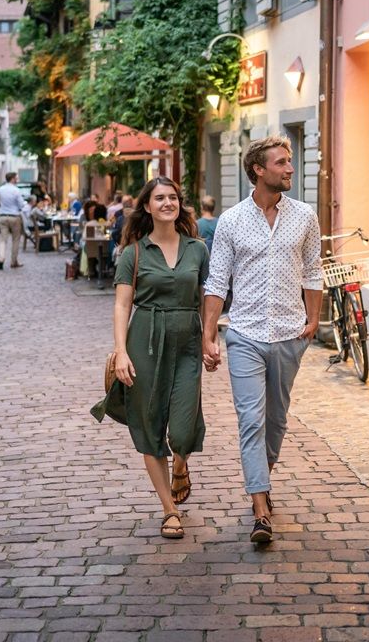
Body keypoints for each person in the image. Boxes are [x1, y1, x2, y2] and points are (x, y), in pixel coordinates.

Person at [201, 136, 323, 545]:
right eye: (282, 163)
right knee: (250, 421)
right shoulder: (232, 222)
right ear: (258, 169)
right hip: (245, 336)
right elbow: (217, 281)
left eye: (290, 162)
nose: (290, 168)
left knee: (276, 422)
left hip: (290, 334)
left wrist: (314, 320)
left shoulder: (304, 216)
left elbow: (313, 271)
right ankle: (260, 508)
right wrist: (209, 334)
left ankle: (261, 477)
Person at [111, 177, 210, 541]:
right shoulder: (134, 253)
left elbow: (206, 297)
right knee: (150, 424)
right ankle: (170, 510)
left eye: (173, 198)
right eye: (159, 198)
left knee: (183, 428)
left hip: (187, 341)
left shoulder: (197, 249)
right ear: (148, 207)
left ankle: (181, 464)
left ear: (180, 205)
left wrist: (210, 338)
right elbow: (122, 304)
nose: (167, 203)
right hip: (145, 342)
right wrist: (121, 351)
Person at [0, 172, 26, 270]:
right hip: (14, 216)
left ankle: (1, 258)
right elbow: (21, 205)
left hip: (3, 216)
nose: (17, 180)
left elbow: (0, 201)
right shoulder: (16, 190)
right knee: (16, 240)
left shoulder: (0, 189)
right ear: (12, 179)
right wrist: (24, 203)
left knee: (3, 240)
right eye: (16, 178)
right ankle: (13, 262)